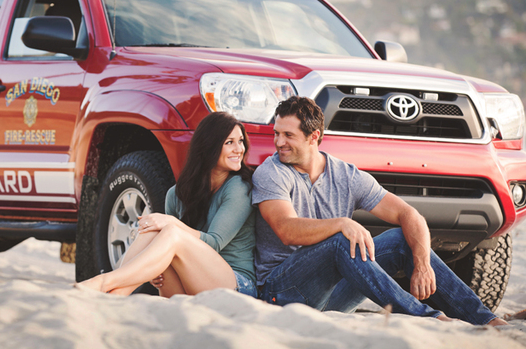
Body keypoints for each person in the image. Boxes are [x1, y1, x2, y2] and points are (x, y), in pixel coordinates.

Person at [252, 95, 507, 325]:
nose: (279, 142)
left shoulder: (345, 175)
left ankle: (486, 320)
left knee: (400, 238)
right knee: (342, 239)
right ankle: (428, 317)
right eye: (276, 133)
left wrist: (422, 265)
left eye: (288, 135)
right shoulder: (271, 172)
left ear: (314, 136)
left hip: (331, 298)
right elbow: (286, 230)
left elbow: (409, 215)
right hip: (282, 292)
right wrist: (342, 223)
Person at [78, 112, 256, 297]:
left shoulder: (239, 187)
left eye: (241, 141)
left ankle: (105, 281)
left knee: (169, 230)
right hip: (190, 284)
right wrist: (153, 268)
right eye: (230, 142)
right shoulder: (176, 194)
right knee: (155, 232)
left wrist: (171, 223)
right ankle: (117, 295)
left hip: (237, 286)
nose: (239, 149)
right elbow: (169, 245)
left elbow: (214, 242)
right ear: (209, 146)